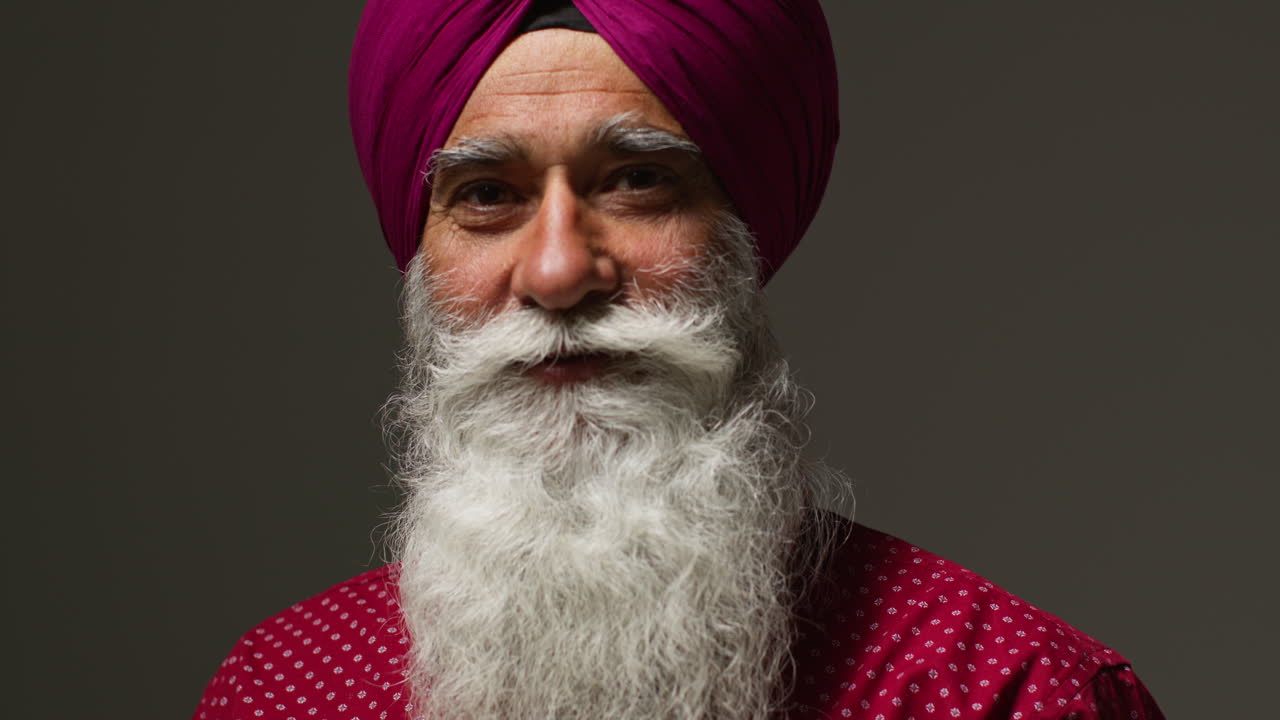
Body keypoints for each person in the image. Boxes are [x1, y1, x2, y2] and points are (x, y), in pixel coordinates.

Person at [193, 1, 1165, 718]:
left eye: (639, 181)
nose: (560, 269)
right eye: (487, 194)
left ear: (743, 235)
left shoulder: (1007, 693)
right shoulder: (279, 691)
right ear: (422, 251)